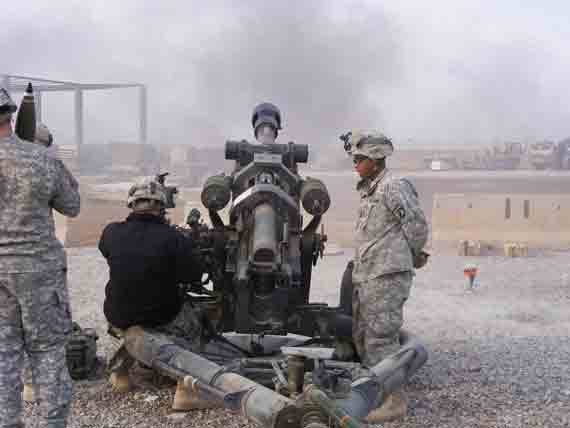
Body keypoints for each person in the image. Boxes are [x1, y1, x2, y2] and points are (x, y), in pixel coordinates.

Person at [0, 86, 80, 428]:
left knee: (3, 353)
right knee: (47, 351)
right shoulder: (42, 159)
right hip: (39, 271)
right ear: (11, 115)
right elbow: (72, 206)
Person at [98, 177, 211, 411]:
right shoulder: (173, 239)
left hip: (117, 316)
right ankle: (185, 389)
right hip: (160, 318)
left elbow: (109, 252)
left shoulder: (111, 232)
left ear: (132, 204)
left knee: (133, 320)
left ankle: (120, 374)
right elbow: (193, 276)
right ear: (161, 206)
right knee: (198, 320)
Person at [346, 130, 428, 423]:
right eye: (355, 158)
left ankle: (394, 401)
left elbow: (416, 225)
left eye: (360, 159)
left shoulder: (393, 187)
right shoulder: (371, 190)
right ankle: (375, 393)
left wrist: (412, 255)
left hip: (387, 275)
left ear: (377, 159)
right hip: (369, 275)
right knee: (364, 337)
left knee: (381, 337)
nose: (355, 163)